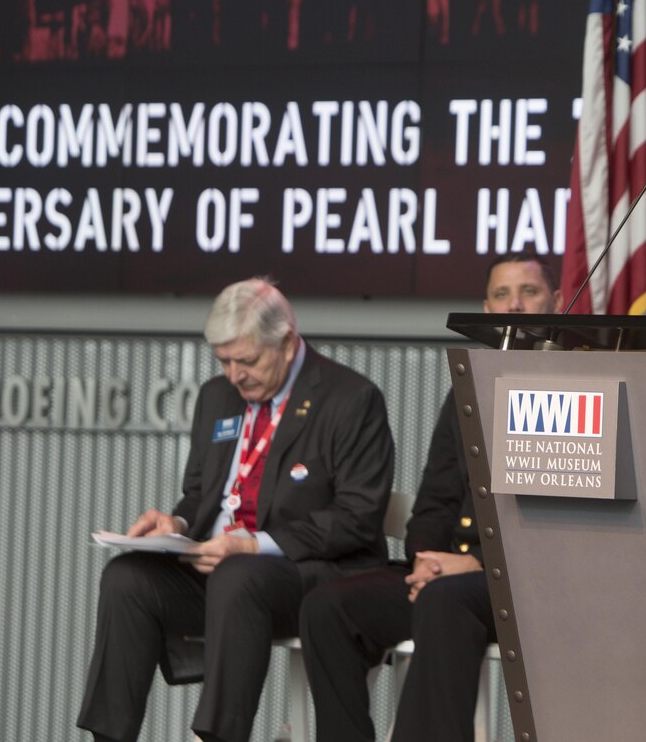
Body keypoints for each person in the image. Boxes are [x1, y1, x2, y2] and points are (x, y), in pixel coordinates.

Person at [76, 278, 395, 742]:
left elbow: (358, 516)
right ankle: (109, 735)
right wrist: (178, 523)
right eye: (223, 361)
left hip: (312, 573)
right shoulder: (215, 397)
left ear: (287, 343)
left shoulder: (350, 400)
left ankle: (220, 735)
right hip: (221, 568)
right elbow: (201, 492)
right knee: (127, 579)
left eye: (246, 360)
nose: (234, 375)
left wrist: (250, 545)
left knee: (239, 575)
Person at [299, 252, 562, 742]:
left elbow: (562, 525)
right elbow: (435, 500)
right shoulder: (469, 385)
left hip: (529, 585)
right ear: (486, 308)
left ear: (557, 300)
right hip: (448, 579)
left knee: (444, 601)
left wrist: (480, 564)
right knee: (327, 607)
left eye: (528, 292)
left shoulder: (578, 385)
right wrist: (425, 560)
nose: (514, 307)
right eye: (501, 295)